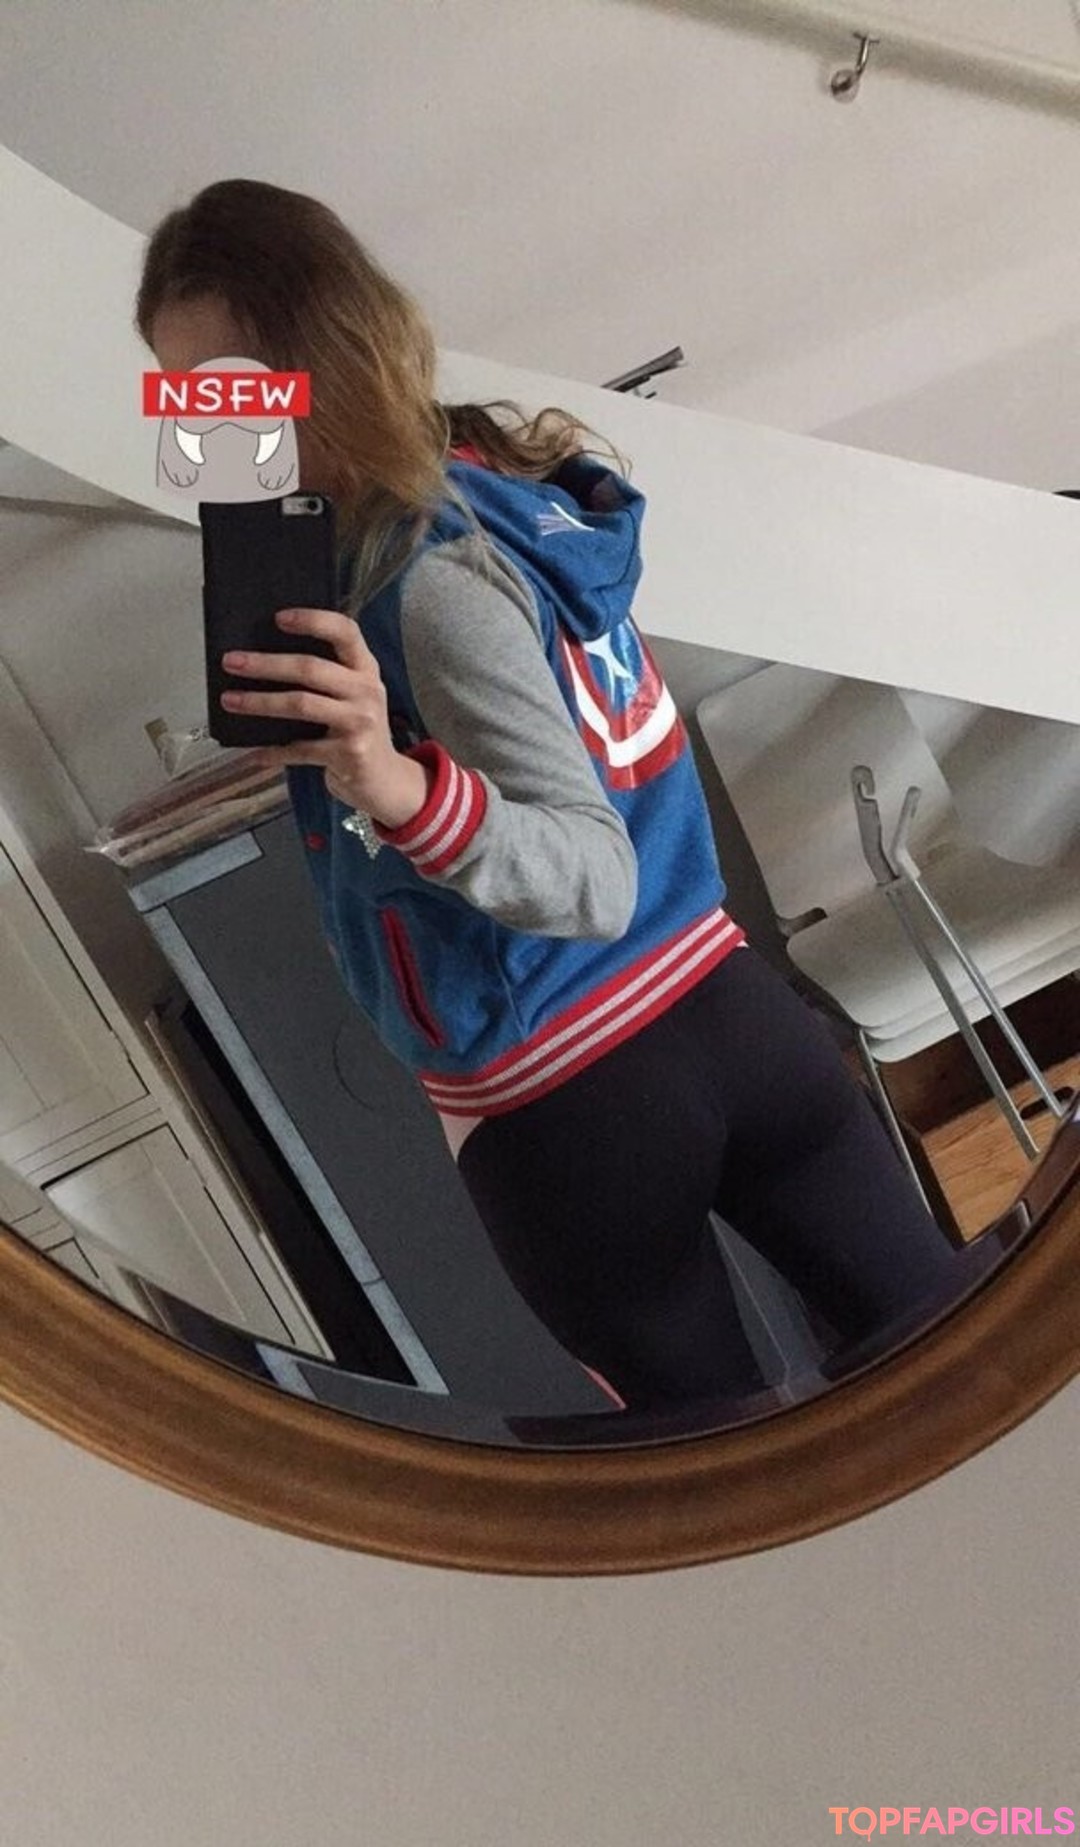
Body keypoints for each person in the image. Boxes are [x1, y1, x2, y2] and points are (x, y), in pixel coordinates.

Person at [137, 178, 965, 1413]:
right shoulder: (502, 484)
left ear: (326, 361)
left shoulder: (421, 578)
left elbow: (591, 876)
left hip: (574, 1103)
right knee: (963, 1383)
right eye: (185, 394)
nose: (213, 428)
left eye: (235, 388)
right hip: (736, 1024)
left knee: (734, 1490)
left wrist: (393, 783)